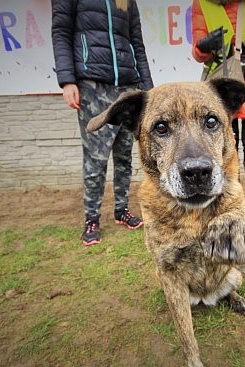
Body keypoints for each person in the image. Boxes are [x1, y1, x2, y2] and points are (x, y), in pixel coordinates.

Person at [52, 0, 153, 246]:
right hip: (92, 85)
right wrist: (67, 80)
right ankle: (92, 219)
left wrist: (149, 90)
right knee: (96, 159)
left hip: (128, 86)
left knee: (124, 156)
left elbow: (137, 43)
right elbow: (61, 31)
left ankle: (122, 210)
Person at [191, 0, 245, 220]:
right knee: (227, 144)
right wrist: (203, 46)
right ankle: (232, 197)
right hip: (221, 82)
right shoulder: (201, 3)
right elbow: (198, 52)